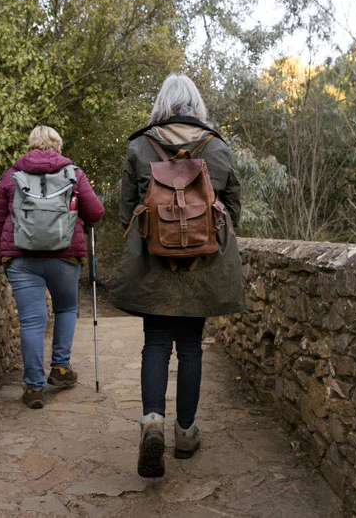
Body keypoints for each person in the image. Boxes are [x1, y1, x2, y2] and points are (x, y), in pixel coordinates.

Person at [109, 74, 246, 477]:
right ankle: (185, 432)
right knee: (190, 348)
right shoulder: (217, 147)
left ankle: (152, 421)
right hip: (202, 266)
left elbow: (124, 212)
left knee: (155, 343)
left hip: (153, 263)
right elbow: (234, 208)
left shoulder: (140, 146)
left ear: (162, 104)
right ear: (197, 105)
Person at [0, 125, 105, 409]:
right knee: (66, 308)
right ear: (58, 145)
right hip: (64, 256)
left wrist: (2, 256)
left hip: (22, 259)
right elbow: (96, 213)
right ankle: (60, 369)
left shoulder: (12, 176)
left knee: (31, 321)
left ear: (31, 145)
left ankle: (33, 388)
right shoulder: (73, 174)